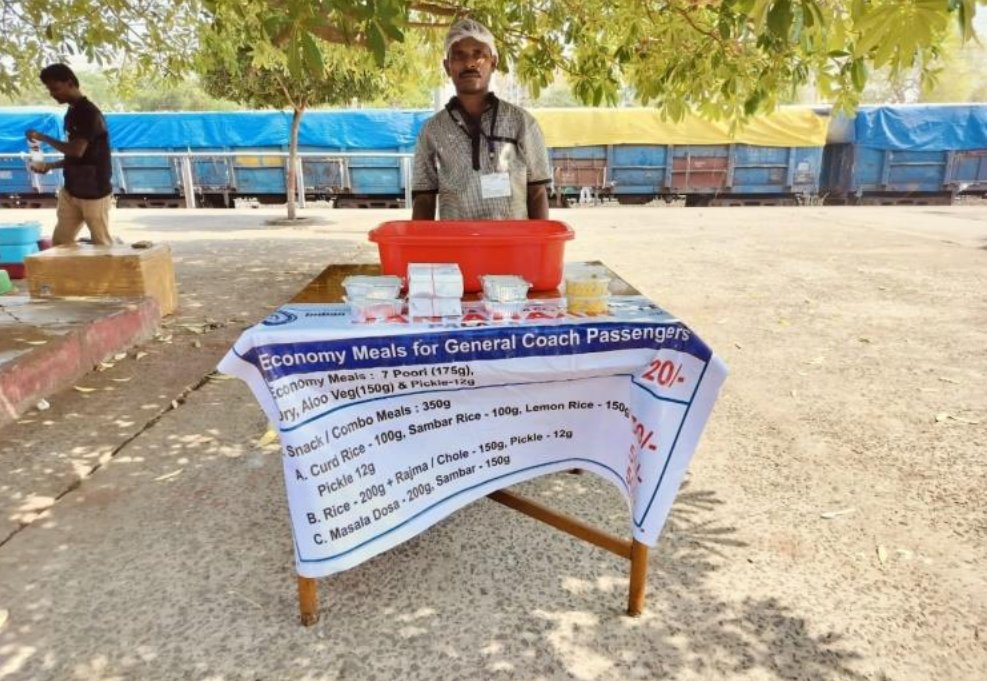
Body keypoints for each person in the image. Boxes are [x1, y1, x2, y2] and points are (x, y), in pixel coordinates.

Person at [411, 18, 552, 221]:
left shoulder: (521, 122)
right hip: (457, 246)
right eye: (459, 56)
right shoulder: (432, 130)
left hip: (512, 246)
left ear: (494, 62)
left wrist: (540, 250)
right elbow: (423, 198)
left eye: (479, 55)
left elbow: (537, 191)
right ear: (447, 66)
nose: (470, 63)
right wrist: (420, 251)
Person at [26, 64, 114, 246]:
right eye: (49, 90)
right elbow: (78, 157)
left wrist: (43, 137)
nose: (52, 94)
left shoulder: (89, 113)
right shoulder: (72, 112)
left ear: (70, 83)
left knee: (102, 244)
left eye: (55, 88)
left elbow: (76, 150)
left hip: (94, 192)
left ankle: (112, 274)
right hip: (72, 190)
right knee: (61, 243)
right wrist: (50, 166)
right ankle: (70, 275)